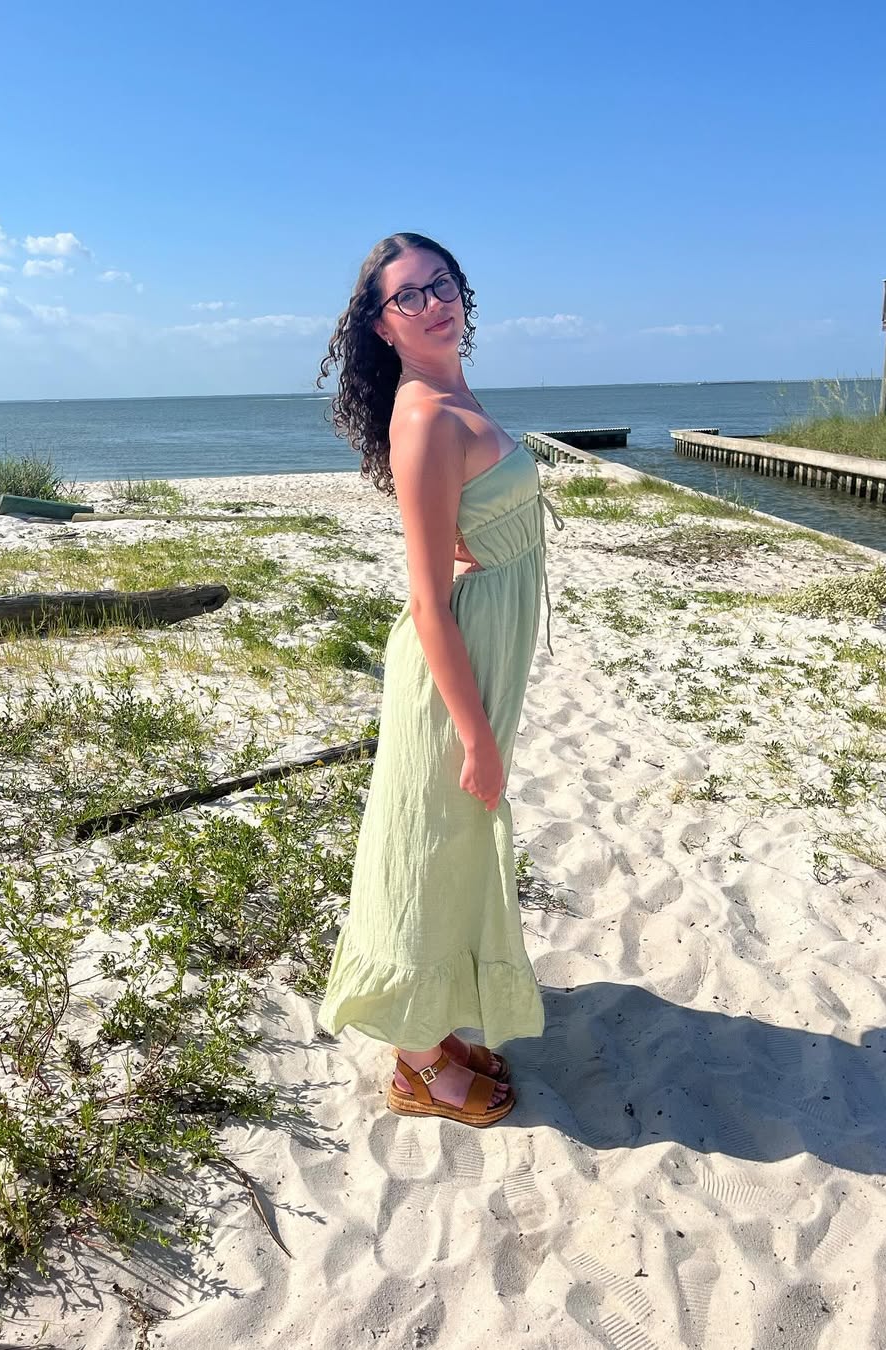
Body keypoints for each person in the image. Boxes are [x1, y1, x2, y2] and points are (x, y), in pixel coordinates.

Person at [315, 232, 563, 1127]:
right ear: (382, 326)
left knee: (454, 843)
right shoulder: (423, 417)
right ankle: (414, 1064)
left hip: (486, 646)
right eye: (408, 297)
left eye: (442, 284)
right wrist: (476, 736)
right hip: (452, 666)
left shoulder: (455, 391)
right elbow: (426, 601)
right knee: (425, 842)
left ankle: (433, 1025)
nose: (433, 304)